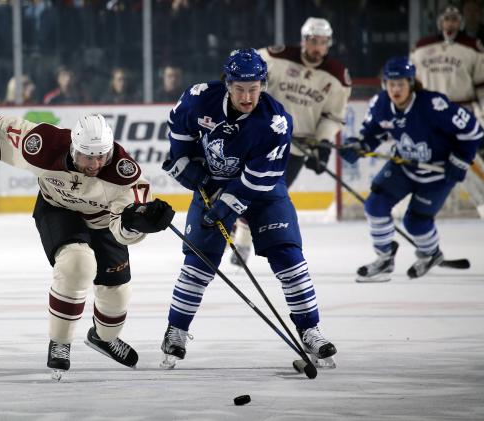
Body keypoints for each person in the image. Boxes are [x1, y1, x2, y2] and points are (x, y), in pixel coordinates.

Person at [0, 113, 175, 375]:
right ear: (73, 147)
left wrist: (136, 222)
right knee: (76, 264)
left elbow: (122, 232)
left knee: (117, 295)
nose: (94, 164)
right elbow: (2, 131)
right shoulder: (44, 145)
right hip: (58, 210)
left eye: (101, 156)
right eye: (87, 156)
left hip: (104, 222)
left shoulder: (125, 176)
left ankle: (103, 338)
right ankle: (60, 342)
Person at [160, 48, 337, 369]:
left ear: (262, 85)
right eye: (240, 88)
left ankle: (310, 329)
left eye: (253, 88)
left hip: (263, 191)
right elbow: (178, 136)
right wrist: (184, 165)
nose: (246, 96)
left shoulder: (276, 121)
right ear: (227, 84)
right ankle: (176, 330)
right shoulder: (199, 98)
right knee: (198, 262)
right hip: (212, 185)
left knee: (288, 256)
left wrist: (227, 207)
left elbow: (260, 180)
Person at [339, 57, 483, 282]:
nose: (395, 89)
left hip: (437, 172)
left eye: (401, 84)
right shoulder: (381, 104)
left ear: (411, 83)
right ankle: (385, 259)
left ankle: (430, 253)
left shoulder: (434, 105)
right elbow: (373, 133)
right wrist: (359, 146)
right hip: (404, 166)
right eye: (391, 84)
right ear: (384, 84)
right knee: (375, 205)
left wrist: (461, 159)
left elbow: (474, 131)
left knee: (415, 223)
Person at [230, 17, 352, 266]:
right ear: (303, 40)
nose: (317, 48)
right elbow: (245, 63)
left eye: (322, 43)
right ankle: (241, 241)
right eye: (313, 41)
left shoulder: (337, 76)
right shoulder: (277, 57)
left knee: (263, 194)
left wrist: (323, 144)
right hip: (261, 137)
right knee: (244, 189)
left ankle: (242, 240)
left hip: (296, 149)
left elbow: (333, 116)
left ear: (329, 44)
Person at [410, 4, 484, 111]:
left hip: (462, 109)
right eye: (447, 19)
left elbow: (481, 85)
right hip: (429, 108)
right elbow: (412, 82)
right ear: (440, 22)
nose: (450, 23)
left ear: (461, 22)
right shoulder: (420, 48)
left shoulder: (474, 47)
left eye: (454, 19)